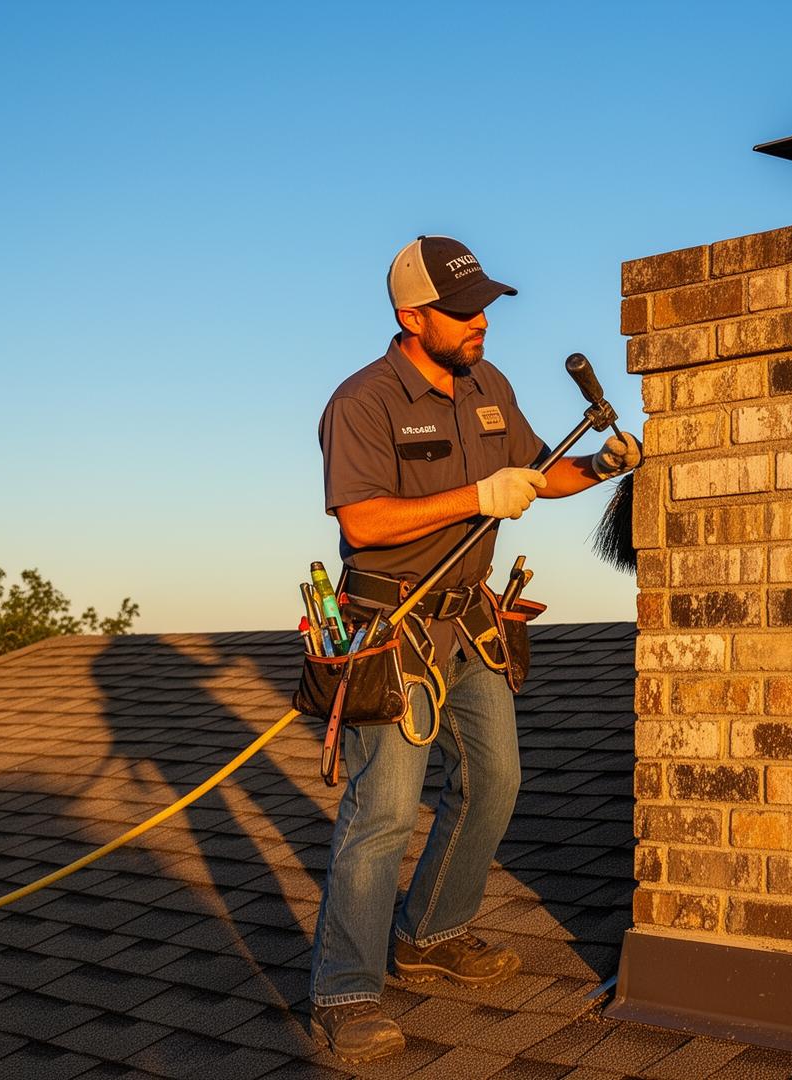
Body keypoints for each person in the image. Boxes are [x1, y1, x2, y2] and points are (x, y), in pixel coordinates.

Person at [308, 235, 641, 1062]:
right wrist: (474, 495)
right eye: (463, 309)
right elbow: (362, 521)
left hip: (469, 623)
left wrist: (600, 464)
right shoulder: (365, 401)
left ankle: (429, 934)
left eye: (485, 304)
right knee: (382, 812)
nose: (481, 320)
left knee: (496, 779)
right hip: (391, 629)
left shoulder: (489, 384)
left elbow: (537, 471)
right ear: (410, 316)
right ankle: (345, 990)